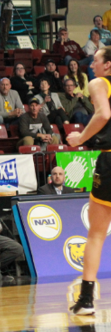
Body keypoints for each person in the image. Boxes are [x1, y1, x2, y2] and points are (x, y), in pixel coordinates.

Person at [67, 48, 111, 314]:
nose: (91, 64)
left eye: (95, 60)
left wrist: (80, 138)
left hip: (110, 160)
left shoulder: (98, 82)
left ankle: (86, 300)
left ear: (108, 66)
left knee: (96, 234)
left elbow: (104, 114)